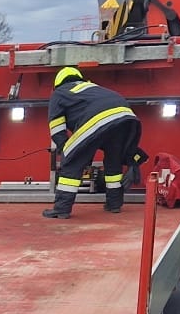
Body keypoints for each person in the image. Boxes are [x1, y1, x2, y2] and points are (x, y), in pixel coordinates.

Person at [45, 65, 140, 217]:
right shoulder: (92, 87)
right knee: (113, 163)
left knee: (71, 162)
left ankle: (61, 209)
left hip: (97, 118)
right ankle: (114, 204)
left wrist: (66, 150)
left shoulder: (59, 93)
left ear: (57, 83)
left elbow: (56, 127)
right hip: (125, 118)